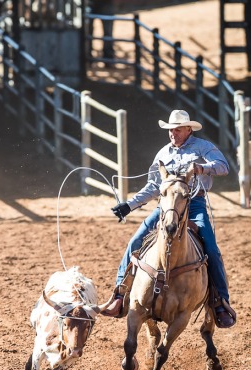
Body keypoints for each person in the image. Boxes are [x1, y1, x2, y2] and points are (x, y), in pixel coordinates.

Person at [101, 109, 236, 329]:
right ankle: (119, 295)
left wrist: (202, 167)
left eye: (177, 129)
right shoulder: (163, 153)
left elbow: (223, 167)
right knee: (135, 242)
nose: (173, 133)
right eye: (170, 130)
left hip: (194, 204)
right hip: (165, 207)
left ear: (188, 130)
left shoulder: (203, 148)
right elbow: (153, 186)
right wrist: (129, 206)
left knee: (211, 249)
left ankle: (220, 302)